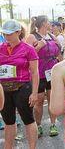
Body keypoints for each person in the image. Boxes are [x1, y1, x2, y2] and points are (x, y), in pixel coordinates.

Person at [0, 20, 39, 149]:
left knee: (28, 119)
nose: (6, 37)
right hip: (4, 90)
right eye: (4, 34)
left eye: (10, 33)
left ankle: (32, 147)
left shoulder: (28, 49)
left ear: (18, 32)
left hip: (22, 87)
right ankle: (8, 146)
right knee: (8, 121)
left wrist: (34, 93)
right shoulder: (1, 48)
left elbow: (34, 72)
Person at [25, 15, 62, 137]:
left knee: (52, 99)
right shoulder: (32, 37)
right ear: (42, 23)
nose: (50, 23)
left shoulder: (51, 36)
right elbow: (25, 56)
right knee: (39, 101)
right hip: (39, 73)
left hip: (52, 72)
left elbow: (57, 54)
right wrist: (39, 46)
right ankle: (39, 125)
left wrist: (58, 46)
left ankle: (53, 124)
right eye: (48, 21)